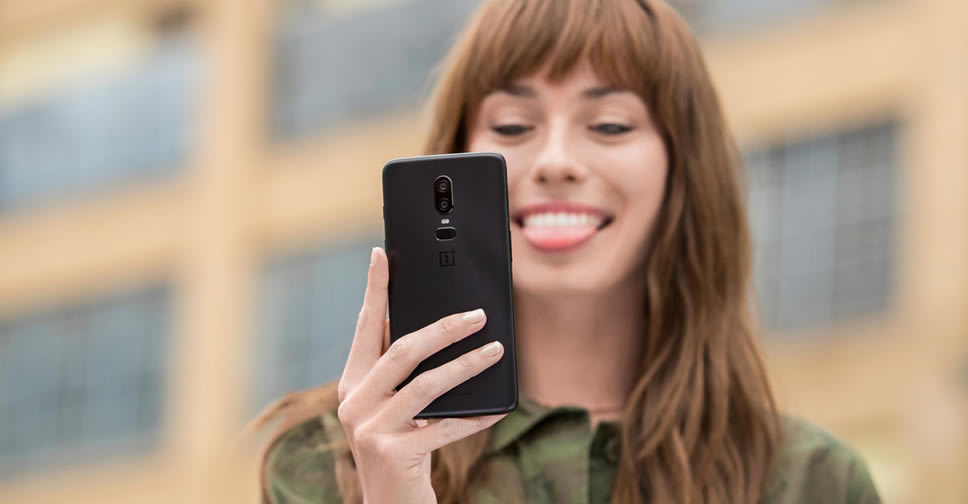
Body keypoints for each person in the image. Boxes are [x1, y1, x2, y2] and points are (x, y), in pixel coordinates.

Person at [250, 0, 882, 502]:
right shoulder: (330, 462)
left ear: (682, 170)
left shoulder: (813, 482)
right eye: (513, 126)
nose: (555, 161)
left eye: (610, 125)